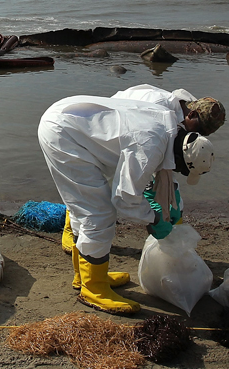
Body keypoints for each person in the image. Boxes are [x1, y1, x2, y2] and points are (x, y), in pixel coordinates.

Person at [38, 94, 215, 315]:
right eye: (181, 170)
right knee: (99, 215)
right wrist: (154, 218)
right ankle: (93, 288)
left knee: (83, 210)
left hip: (70, 119)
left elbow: (139, 175)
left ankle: (84, 275)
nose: (177, 172)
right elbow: (124, 198)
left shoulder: (168, 125)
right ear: (181, 160)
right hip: (64, 134)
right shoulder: (151, 145)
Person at [59, 84, 225, 253]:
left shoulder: (182, 114)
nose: (195, 136)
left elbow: (165, 161)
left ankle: (85, 240)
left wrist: (173, 195)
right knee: (90, 192)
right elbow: (146, 158)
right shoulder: (159, 108)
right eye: (198, 131)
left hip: (128, 142)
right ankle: (72, 231)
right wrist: (152, 213)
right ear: (192, 114)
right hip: (105, 135)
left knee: (97, 194)